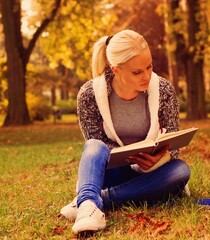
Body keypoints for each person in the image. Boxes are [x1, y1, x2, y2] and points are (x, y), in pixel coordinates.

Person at [60, 29, 191, 234]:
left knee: (180, 171)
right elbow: (96, 145)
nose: (146, 76)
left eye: (149, 67)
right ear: (116, 70)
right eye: (137, 72)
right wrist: (127, 157)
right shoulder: (90, 94)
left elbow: (173, 144)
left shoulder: (163, 90)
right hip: (114, 171)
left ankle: (91, 201)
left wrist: (159, 159)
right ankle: (89, 205)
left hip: (153, 174)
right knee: (93, 146)